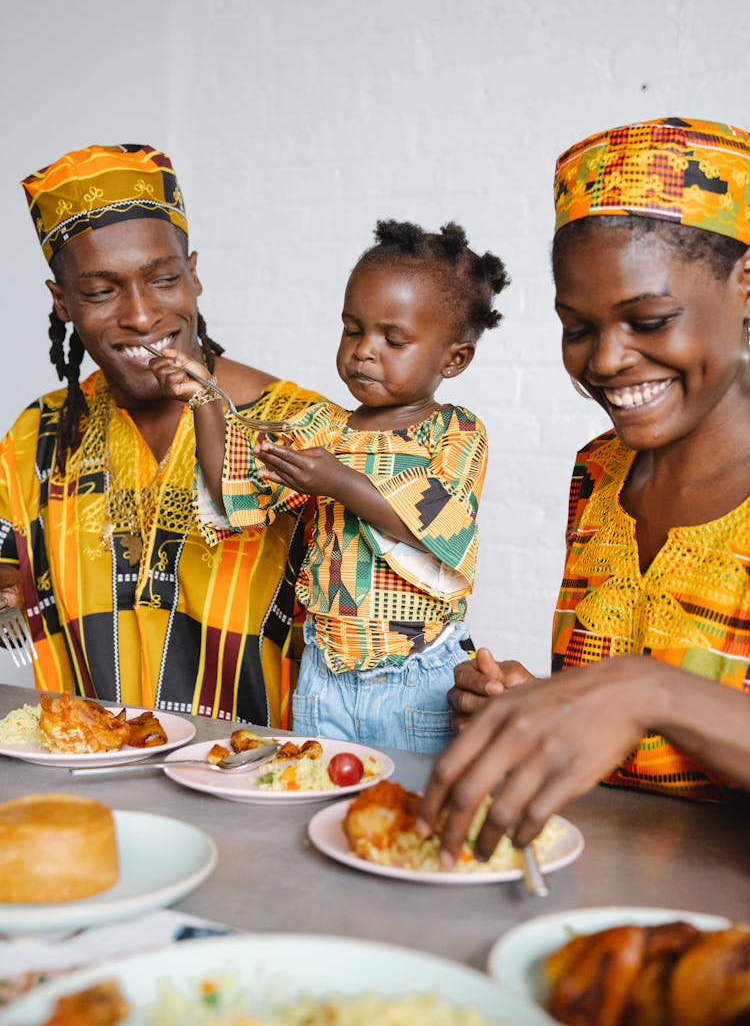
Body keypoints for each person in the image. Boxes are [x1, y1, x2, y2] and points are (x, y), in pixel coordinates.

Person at [418, 116, 750, 860]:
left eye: (650, 319)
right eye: (578, 327)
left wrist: (644, 690)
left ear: (747, 287)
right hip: (597, 892)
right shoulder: (600, 473)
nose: (605, 360)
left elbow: (647, 697)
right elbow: (634, 747)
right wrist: (544, 706)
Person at [149, 219, 509, 752]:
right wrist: (203, 399)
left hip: (415, 678)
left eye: (394, 339)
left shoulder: (456, 432)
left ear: (453, 358)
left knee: (410, 812)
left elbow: (438, 530)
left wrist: (338, 481)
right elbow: (235, 491)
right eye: (352, 329)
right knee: (316, 798)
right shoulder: (323, 428)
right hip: (323, 678)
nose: (364, 350)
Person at [0, 143, 322, 725]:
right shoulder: (36, 438)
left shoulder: (301, 429)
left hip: (261, 784)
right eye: (101, 291)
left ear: (194, 275)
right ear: (62, 302)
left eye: (164, 279)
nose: (143, 316)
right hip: (83, 774)